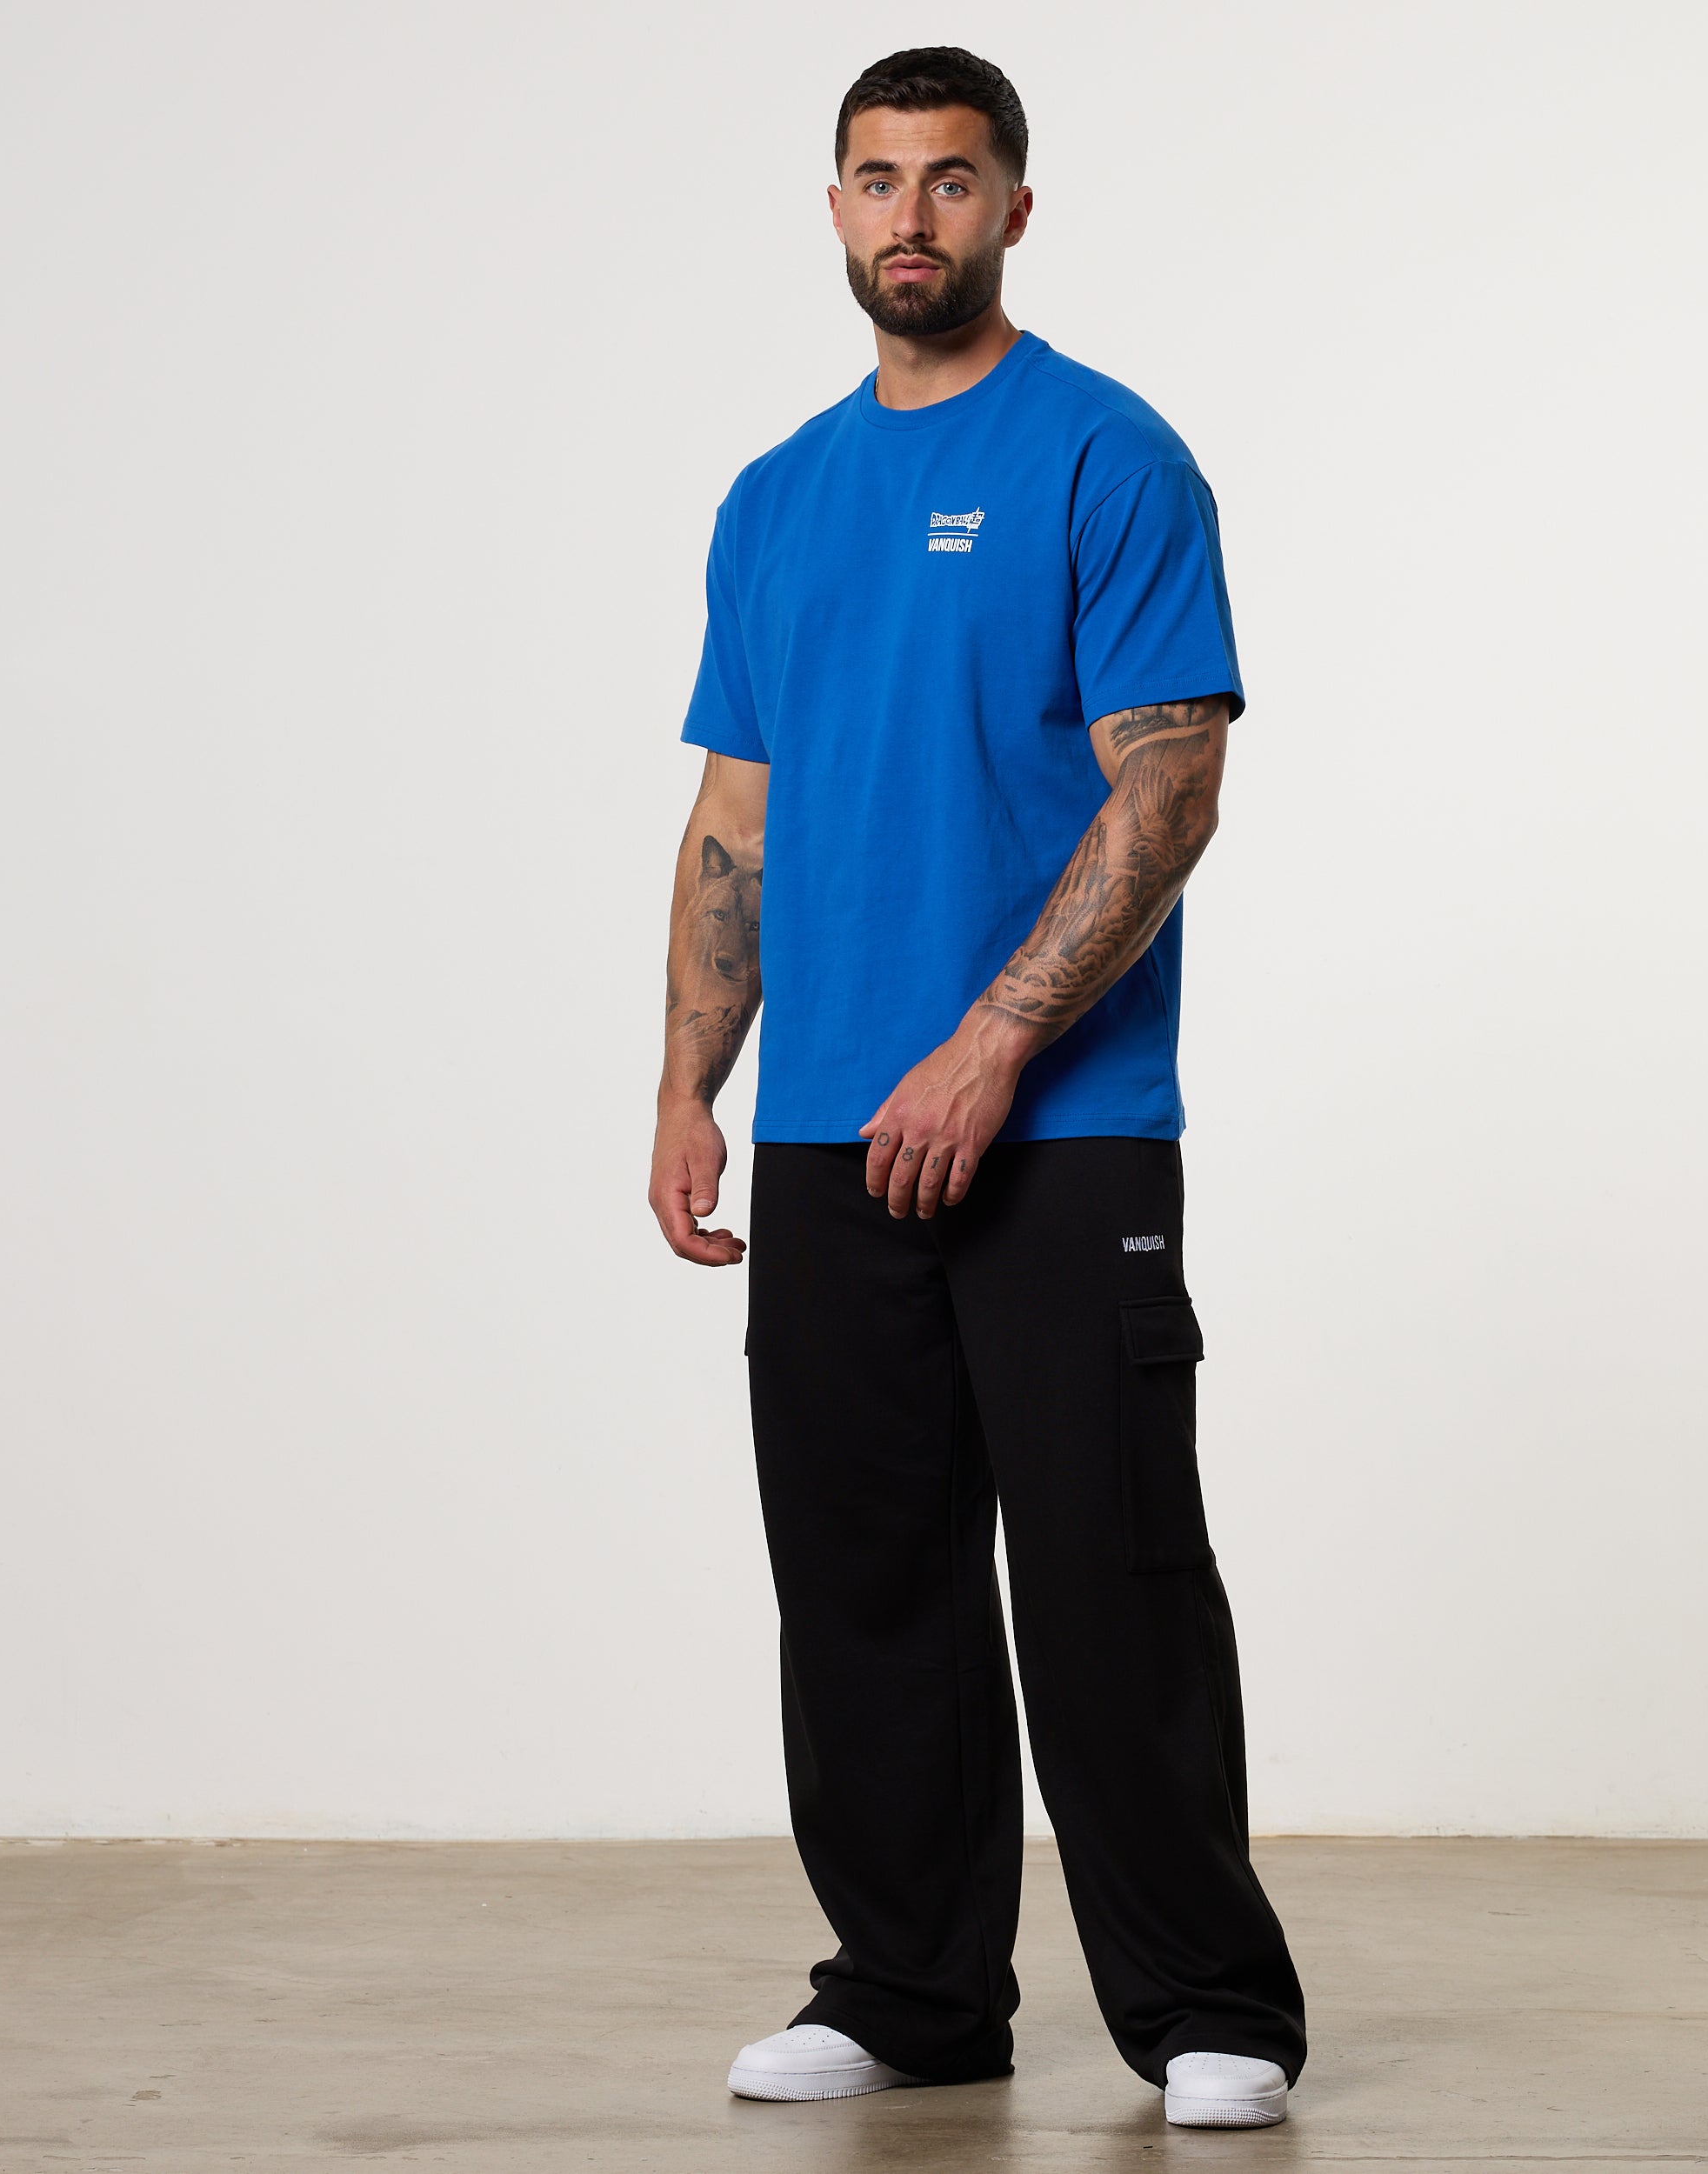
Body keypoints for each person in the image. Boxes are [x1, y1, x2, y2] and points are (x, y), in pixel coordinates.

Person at [649, 45, 1307, 2133]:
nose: (909, 215)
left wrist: (993, 1038)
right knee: (864, 1580)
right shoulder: (773, 497)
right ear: (834, 209)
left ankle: (1206, 2002)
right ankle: (912, 1987)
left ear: (1013, 208)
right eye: (875, 179)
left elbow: (1168, 789)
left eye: (949, 179)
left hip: (1063, 1124)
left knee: (1107, 1569)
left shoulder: (1107, 456)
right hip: (826, 1131)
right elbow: (735, 815)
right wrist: (687, 1079)